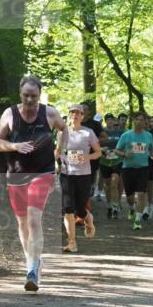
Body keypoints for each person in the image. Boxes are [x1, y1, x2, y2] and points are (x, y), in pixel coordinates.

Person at [0, 75, 66, 291]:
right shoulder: (10, 114)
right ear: (20, 93)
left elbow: (64, 129)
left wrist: (60, 152)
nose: (30, 100)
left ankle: (32, 270)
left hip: (43, 173)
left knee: (34, 218)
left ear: (39, 94)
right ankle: (32, 261)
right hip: (16, 175)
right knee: (22, 223)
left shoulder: (49, 113)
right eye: (26, 95)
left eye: (34, 96)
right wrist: (15, 147)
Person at [57, 104, 102, 252]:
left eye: (78, 113)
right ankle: (72, 243)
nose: (75, 116)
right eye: (72, 113)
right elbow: (57, 151)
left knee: (80, 208)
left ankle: (88, 219)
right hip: (66, 174)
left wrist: (87, 157)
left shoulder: (88, 133)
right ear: (69, 116)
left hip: (83, 175)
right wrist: (55, 162)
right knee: (68, 208)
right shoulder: (62, 133)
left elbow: (98, 152)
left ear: (83, 116)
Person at [115, 110, 153, 230]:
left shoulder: (148, 135)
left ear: (145, 122)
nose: (139, 122)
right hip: (128, 168)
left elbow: (151, 150)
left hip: (143, 168)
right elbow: (117, 150)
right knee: (129, 196)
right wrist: (125, 154)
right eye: (137, 119)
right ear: (133, 121)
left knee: (141, 194)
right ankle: (132, 208)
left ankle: (137, 220)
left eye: (142, 120)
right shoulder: (126, 135)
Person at [99, 114, 124, 219]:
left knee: (114, 183)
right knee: (107, 185)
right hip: (105, 161)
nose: (109, 121)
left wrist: (120, 152)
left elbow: (125, 145)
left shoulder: (120, 132)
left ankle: (115, 207)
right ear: (105, 121)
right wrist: (102, 149)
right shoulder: (102, 132)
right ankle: (109, 205)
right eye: (107, 120)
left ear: (114, 121)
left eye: (111, 119)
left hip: (117, 161)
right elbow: (95, 145)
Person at [80, 101, 104, 205]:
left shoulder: (95, 124)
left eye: (85, 109)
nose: (82, 111)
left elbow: (104, 138)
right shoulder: (74, 122)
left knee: (89, 181)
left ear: (89, 112)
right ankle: (81, 204)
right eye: (81, 109)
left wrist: (93, 141)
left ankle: (86, 205)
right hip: (78, 157)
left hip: (92, 157)